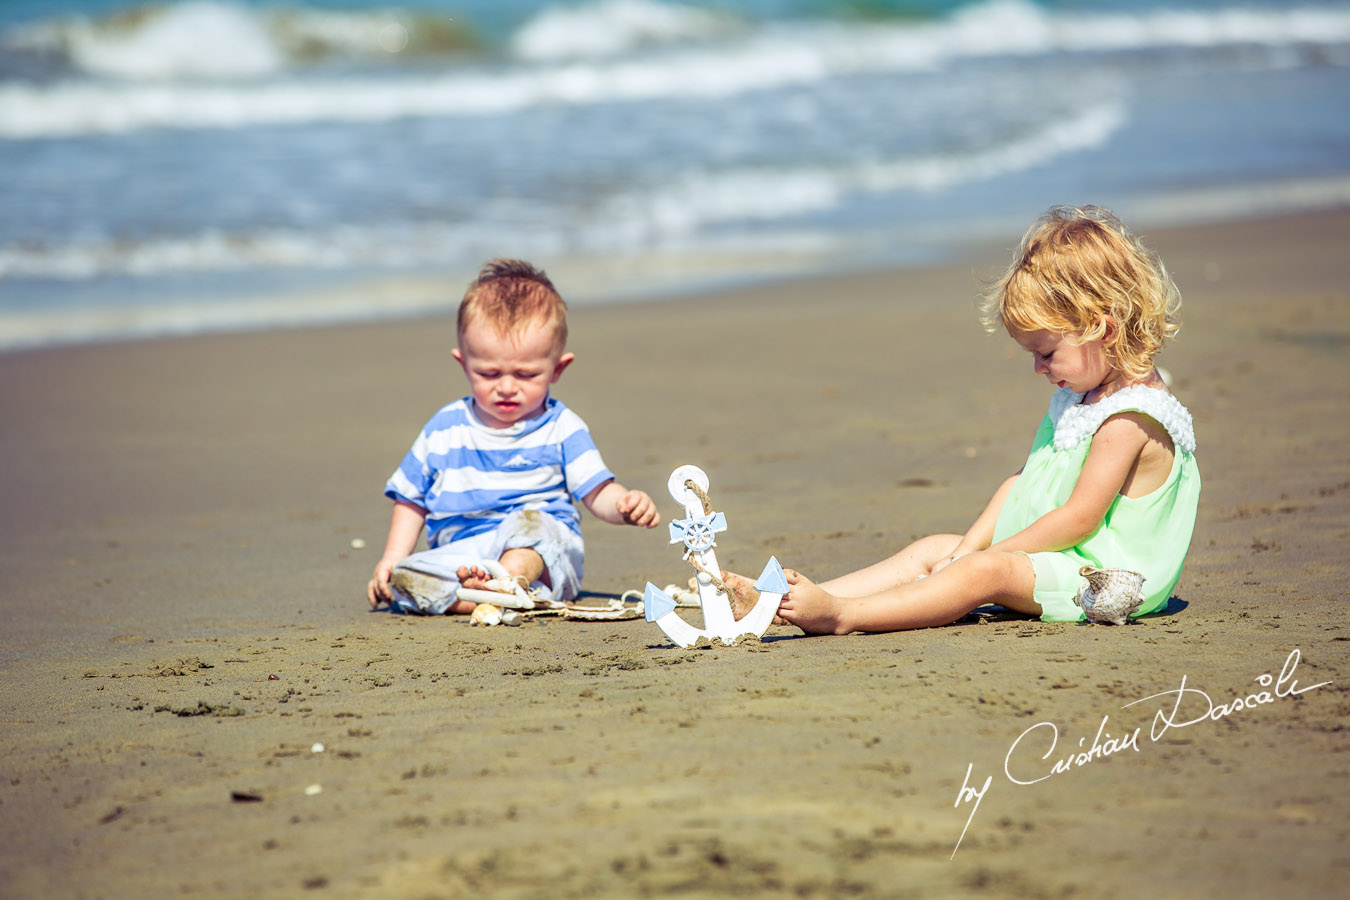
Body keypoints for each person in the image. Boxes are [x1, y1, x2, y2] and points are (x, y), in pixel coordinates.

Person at [751, 206, 1200, 634]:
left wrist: (980, 558)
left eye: (1046, 353)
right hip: (1058, 556)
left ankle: (841, 614)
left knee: (983, 570)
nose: (1039, 369)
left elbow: (1079, 521)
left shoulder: (1128, 419)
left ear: (1102, 329)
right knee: (934, 549)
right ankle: (788, 604)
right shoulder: (1082, 395)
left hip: (1101, 576)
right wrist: (964, 549)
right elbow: (1021, 484)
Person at [366, 259, 661, 615]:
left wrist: (625, 505)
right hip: (466, 554)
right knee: (406, 576)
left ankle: (509, 581)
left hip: (542, 553)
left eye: (525, 374)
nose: (506, 387)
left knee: (531, 526)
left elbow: (596, 492)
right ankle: (484, 593)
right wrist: (392, 558)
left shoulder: (561, 426)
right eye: (489, 373)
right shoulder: (444, 428)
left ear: (558, 369)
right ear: (463, 364)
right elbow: (411, 500)